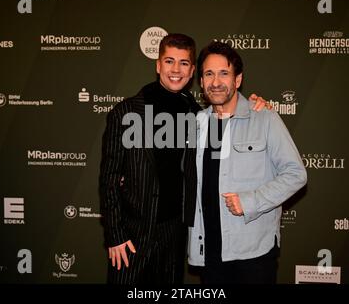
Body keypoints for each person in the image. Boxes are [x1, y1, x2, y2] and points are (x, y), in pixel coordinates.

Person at [99, 33, 268, 284]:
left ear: (191, 73)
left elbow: (232, 113)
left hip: (176, 235)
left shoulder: (199, 116)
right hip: (131, 237)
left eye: (184, 63)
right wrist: (115, 235)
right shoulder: (125, 112)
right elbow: (109, 178)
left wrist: (255, 105)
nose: (175, 69)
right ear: (158, 65)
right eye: (169, 61)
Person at [185, 41, 307, 284]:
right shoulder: (195, 123)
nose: (216, 82)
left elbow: (296, 174)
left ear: (237, 80)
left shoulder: (265, 118)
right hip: (208, 253)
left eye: (224, 73)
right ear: (201, 81)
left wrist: (250, 201)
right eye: (209, 74)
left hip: (253, 255)